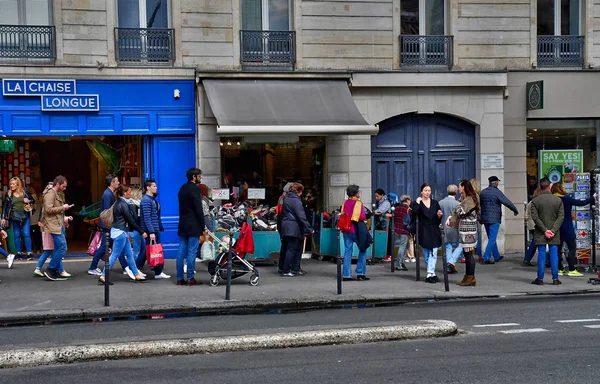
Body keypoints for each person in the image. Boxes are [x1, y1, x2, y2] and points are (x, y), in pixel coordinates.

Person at [98, 185, 147, 284]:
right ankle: (103, 275)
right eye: (129, 191)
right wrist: (142, 232)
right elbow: (131, 221)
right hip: (120, 233)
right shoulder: (123, 204)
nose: (131, 193)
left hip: (121, 232)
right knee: (114, 255)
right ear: (124, 193)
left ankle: (136, 274)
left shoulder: (119, 203)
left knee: (129, 255)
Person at [551, 182, 595, 277]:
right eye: (562, 187)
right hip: (567, 227)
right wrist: (593, 197)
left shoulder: (552, 199)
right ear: (560, 189)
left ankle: (560, 268)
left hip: (556, 228)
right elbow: (581, 203)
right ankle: (571, 269)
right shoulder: (566, 199)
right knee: (572, 248)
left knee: (558, 249)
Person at [88, 174, 127, 276]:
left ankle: (125, 267)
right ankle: (93, 267)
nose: (118, 183)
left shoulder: (109, 193)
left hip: (109, 225)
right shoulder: (107, 194)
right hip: (109, 225)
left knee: (116, 246)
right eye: (117, 181)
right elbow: (108, 212)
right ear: (112, 183)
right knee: (107, 247)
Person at [530, 177, 564, 285]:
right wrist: (553, 230)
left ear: (540, 187)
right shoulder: (558, 200)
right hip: (554, 232)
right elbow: (561, 216)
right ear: (549, 186)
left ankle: (540, 279)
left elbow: (535, 218)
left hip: (541, 232)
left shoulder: (535, 201)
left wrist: (545, 230)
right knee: (554, 254)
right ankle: (555, 278)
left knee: (541, 254)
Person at [447, 180, 480, 287]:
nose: (458, 188)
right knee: (466, 254)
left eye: (459, 186)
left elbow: (460, 211)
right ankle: (468, 276)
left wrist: (457, 206)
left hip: (469, 230)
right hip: (464, 230)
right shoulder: (464, 199)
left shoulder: (470, 200)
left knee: (468, 254)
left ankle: (471, 277)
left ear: (464, 187)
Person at [479, 176, 519, 264]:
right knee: (492, 239)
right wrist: (515, 210)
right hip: (494, 218)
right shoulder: (497, 192)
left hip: (485, 218)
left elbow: (479, 206)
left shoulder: (482, 192)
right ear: (496, 183)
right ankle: (486, 257)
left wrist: (480, 218)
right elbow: (506, 202)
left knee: (491, 238)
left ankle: (496, 256)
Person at [176, 168, 205, 286]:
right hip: (193, 224)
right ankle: (190, 278)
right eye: (199, 176)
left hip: (183, 223)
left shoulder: (182, 188)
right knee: (192, 251)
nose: (200, 178)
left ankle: (179, 278)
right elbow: (199, 209)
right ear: (194, 177)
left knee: (181, 250)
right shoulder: (195, 190)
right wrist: (202, 225)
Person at [41, 176, 72, 281]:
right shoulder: (50, 193)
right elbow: (48, 209)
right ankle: (51, 269)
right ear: (57, 184)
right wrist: (63, 208)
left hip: (57, 224)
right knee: (62, 247)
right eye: (63, 186)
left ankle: (56, 270)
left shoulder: (54, 193)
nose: (65, 188)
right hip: (53, 224)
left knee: (59, 248)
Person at [280, 183, 313, 277]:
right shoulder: (296, 201)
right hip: (294, 227)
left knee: (292, 248)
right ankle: (286, 270)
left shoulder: (286, 198)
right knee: (292, 249)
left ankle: (293, 268)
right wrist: (310, 228)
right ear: (299, 191)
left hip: (286, 226)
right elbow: (301, 215)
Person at [139, 179, 170, 279]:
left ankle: (155, 271)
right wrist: (151, 231)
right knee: (154, 250)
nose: (156, 188)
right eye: (154, 186)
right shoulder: (146, 200)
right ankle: (156, 271)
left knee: (150, 250)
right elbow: (147, 217)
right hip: (151, 229)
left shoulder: (152, 199)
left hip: (155, 228)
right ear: (148, 187)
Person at [412, 183, 443, 283]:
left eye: (429, 190)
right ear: (421, 191)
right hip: (423, 229)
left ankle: (429, 273)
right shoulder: (418, 202)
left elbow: (439, 215)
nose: (427, 192)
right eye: (425, 190)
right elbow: (414, 212)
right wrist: (417, 202)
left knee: (433, 252)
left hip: (434, 229)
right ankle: (432, 274)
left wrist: (439, 215)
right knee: (426, 253)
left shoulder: (434, 202)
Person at [341, 184, 371, 281]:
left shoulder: (345, 203)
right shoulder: (358, 203)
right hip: (355, 230)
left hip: (346, 229)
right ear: (356, 193)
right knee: (362, 249)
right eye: (358, 192)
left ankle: (346, 274)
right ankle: (360, 272)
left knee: (347, 251)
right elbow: (361, 217)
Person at [1, 177, 35, 261]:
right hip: (14, 216)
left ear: (18, 184)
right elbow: (5, 206)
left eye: (13, 184)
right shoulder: (9, 194)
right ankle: (18, 253)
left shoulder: (25, 191)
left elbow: (32, 200)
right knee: (16, 234)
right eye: (10, 184)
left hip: (24, 215)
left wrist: (28, 200)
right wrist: (3, 217)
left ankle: (29, 253)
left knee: (26, 234)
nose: (11, 186)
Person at [439, 185, 462, 274]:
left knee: (447, 247)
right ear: (456, 192)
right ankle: (452, 261)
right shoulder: (457, 204)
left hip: (444, 227)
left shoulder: (441, 202)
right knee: (461, 245)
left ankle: (448, 267)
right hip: (455, 228)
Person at [276, 182, 293, 275]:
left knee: (284, 247)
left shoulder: (281, 198)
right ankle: (284, 268)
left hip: (281, 224)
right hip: (284, 225)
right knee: (287, 247)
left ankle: (281, 267)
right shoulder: (285, 199)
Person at [392, 194, 411, 271]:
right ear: (407, 200)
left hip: (398, 229)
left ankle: (401, 261)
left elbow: (395, 219)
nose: (410, 202)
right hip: (404, 230)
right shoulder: (408, 209)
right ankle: (399, 264)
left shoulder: (397, 208)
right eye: (410, 200)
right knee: (403, 246)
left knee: (406, 245)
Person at [523, 187, 541, 266]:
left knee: (534, 242)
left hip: (531, 224)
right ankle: (527, 259)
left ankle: (527, 259)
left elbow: (526, 215)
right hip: (536, 224)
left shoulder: (530, 202)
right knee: (535, 243)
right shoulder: (538, 202)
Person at [470, 178, 482, 260]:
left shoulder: (464, 195)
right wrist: (480, 217)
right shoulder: (476, 196)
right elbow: (478, 208)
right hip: (474, 218)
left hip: (465, 218)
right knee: (477, 235)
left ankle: (464, 256)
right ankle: (480, 254)